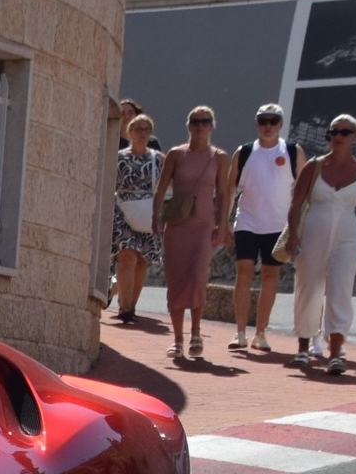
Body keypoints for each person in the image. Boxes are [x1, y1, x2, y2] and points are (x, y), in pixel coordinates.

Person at [281, 114, 356, 377]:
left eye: (344, 132)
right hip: (313, 231)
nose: (337, 137)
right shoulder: (314, 166)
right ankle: (303, 347)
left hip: (347, 235)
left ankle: (335, 353)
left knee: (340, 289)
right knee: (308, 287)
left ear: (355, 136)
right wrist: (292, 236)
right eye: (333, 132)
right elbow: (295, 202)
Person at [154, 106, 229, 365]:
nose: (200, 126)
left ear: (211, 125)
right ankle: (177, 339)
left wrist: (223, 223)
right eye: (196, 121)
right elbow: (162, 186)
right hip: (177, 226)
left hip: (203, 226)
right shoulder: (176, 154)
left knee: (198, 277)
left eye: (205, 121)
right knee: (176, 280)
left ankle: (196, 332)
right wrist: (155, 216)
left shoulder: (219, 157)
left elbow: (223, 193)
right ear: (188, 125)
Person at [225, 103, 301, 354]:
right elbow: (229, 189)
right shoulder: (244, 152)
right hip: (247, 221)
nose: (268, 126)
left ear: (280, 124)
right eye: (263, 121)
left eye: (273, 121)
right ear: (257, 123)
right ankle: (239, 332)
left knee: (270, 275)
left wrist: (298, 224)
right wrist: (223, 222)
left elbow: (303, 189)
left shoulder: (291, 151)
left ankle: (260, 332)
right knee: (243, 273)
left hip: (278, 225)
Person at [110, 113, 162, 325]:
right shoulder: (119, 157)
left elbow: (168, 185)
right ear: (129, 132)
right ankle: (125, 307)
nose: (141, 133)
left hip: (149, 212)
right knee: (127, 255)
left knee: (142, 260)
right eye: (137, 129)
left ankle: (132, 303)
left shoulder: (159, 158)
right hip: (123, 209)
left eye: (145, 129)